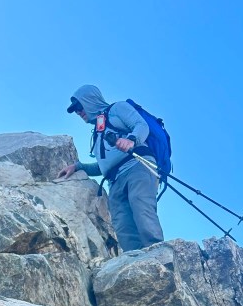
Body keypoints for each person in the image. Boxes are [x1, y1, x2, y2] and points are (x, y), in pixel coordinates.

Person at [57, 84, 164, 252]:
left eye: (79, 106)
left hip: (138, 166)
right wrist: (77, 167)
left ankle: (159, 254)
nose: (78, 112)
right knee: (122, 225)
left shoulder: (117, 108)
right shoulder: (97, 132)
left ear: (90, 100)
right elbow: (103, 166)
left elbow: (141, 126)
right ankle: (137, 260)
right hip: (114, 180)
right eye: (75, 110)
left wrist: (131, 140)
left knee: (141, 205)